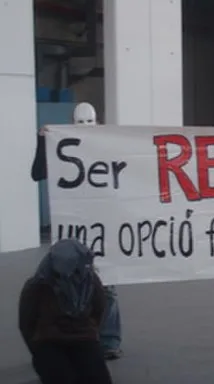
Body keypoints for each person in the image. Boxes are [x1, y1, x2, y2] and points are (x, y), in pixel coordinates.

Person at [31, 102, 124, 360]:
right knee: (67, 284)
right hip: (73, 226)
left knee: (106, 287)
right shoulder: (62, 146)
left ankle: (108, 340)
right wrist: (43, 142)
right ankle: (81, 337)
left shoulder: (103, 146)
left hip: (101, 225)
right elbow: (38, 172)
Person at [19, 239, 114, 384]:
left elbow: (99, 310)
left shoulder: (90, 281)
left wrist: (90, 333)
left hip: (83, 338)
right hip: (49, 341)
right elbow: (27, 322)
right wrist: (38, 347)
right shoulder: (37, 285)